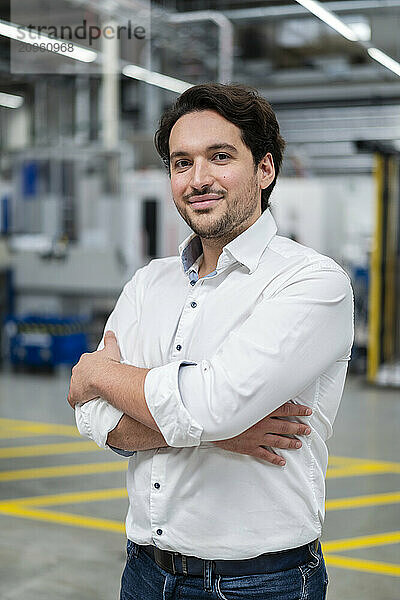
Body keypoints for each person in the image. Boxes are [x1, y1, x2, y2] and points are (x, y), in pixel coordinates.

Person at [67, 83, 354, 600]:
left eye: (219, 157)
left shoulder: (311, 282)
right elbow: (92, 419)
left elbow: (211, 405)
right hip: (144, 573)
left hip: (261, 583)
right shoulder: (148, 284)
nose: (198, 179)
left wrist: (98, 373)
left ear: (264, 168)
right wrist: (214, 432)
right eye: (181, 163)